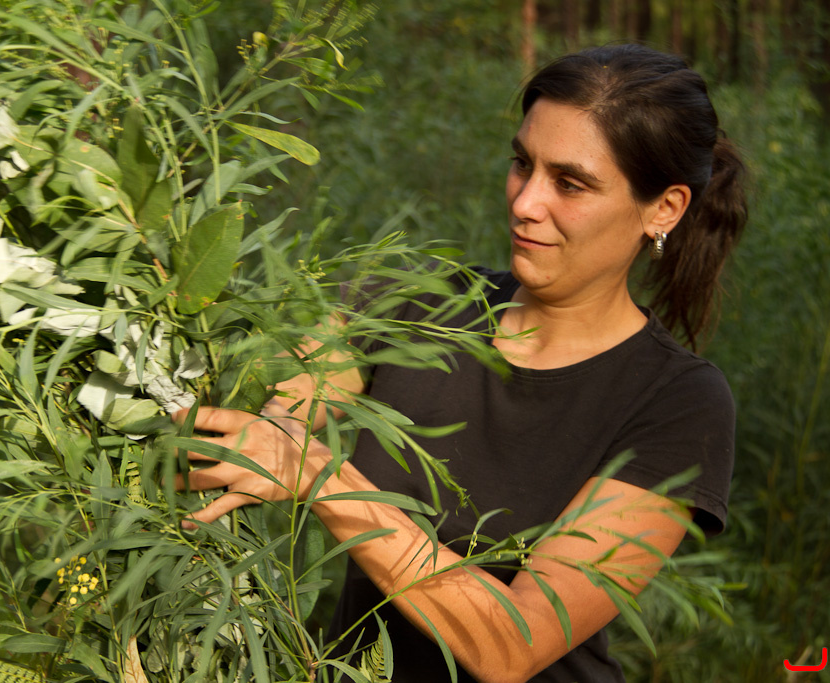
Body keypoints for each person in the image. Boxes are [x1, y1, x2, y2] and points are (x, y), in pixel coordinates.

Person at [175, 43, 747, 683]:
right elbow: (274, 417)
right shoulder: (414, 302)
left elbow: (513, 644)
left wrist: (321, 479)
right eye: (522, 164)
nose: (525, 202)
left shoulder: (677, 403)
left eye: (570, 183)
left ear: (664, 208)